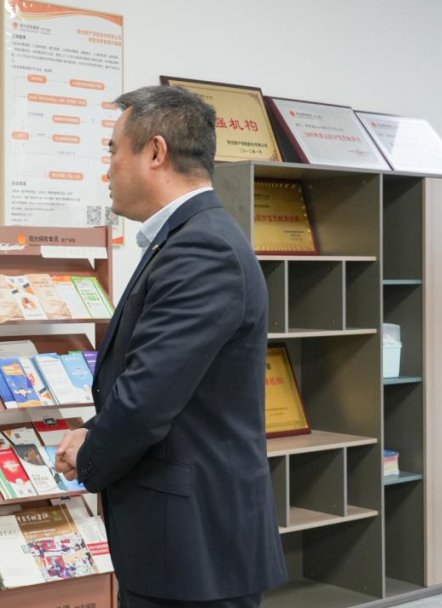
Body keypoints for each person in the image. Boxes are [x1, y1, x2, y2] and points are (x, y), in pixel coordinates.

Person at [55, 85, 288, 608]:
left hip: (196, 548)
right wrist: (93, 431)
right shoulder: (185, 238)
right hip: (178, 542)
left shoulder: (203, 248)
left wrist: (90, 452)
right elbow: (162, 379)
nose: (107, 169)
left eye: (113, 150)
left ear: (155, 152)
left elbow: (148, 397)